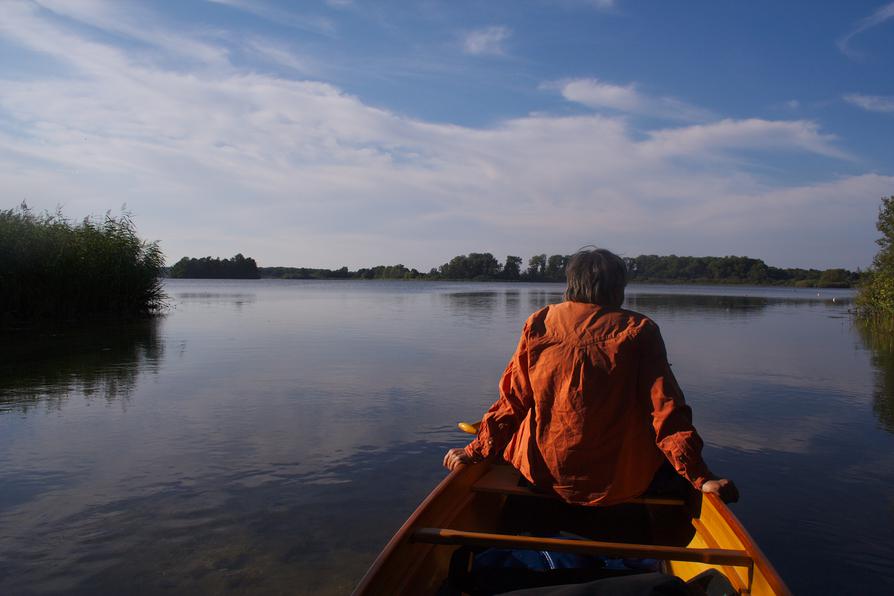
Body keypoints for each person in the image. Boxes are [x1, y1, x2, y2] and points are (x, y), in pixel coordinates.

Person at [443, 247, 738, 505]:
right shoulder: (639, 330)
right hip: (617, 485)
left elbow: (513, 401)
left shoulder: (540, 322)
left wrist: (475, 451)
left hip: (543, 476)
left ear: (572, 284)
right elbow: (666, 412)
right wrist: (700, 477)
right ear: (617, 287)